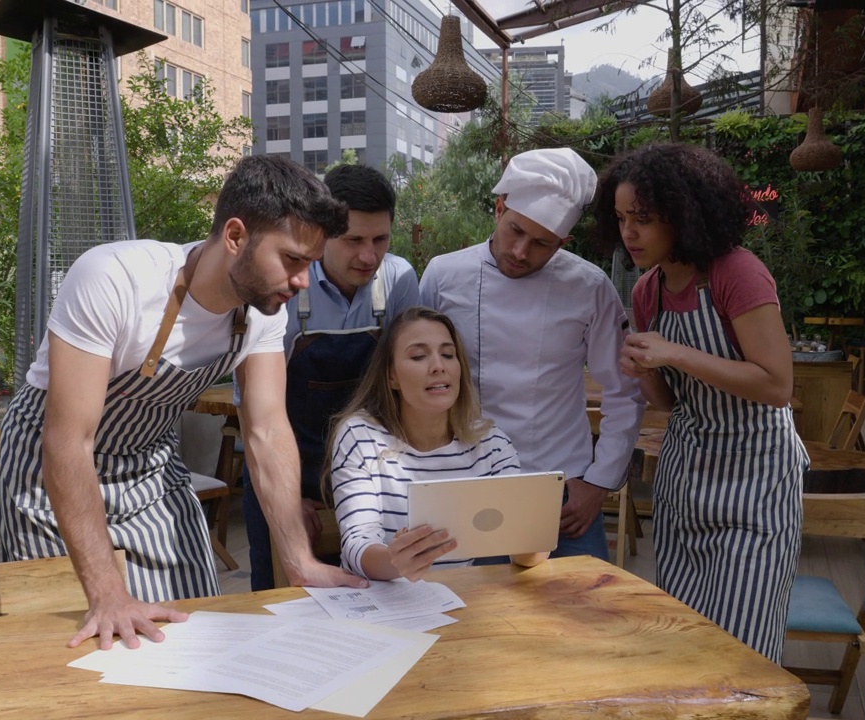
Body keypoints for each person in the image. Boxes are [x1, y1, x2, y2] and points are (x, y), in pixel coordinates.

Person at [0, 155, 367, 652]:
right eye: (293, 260)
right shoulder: (114, 279)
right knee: (88, 646)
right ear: (235, 236)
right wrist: (108, 594)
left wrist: (299, 560)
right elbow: (68, 438)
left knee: (200, 631)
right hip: (47, 474)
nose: (302, 281)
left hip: (149, 466)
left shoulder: (263, 311)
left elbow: (267, 431)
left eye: (310, 265)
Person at [591, 142, 805, 662]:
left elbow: (777, 385)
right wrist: (643, 370)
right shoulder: (649, 292)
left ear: (684, 212)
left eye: (642, 218)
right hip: (686, 476)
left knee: (742, 650)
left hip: (757, 477)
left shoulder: (737, 272)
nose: (629, 233)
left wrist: (675, 353)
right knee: (685, 638)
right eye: (621, 219)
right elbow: (667, 401)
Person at [420, 148, 645, 562]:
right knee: (470, 617)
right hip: (464, 478)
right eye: (515, 231)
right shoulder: (443, 275)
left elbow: (623, 391)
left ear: (564, 241)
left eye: (543, 243)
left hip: (559, 490)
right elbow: (416, 381)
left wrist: (598, 483)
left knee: (579, 614)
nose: (522, 252)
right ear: (499, 208)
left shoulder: (590, 287)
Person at [241, 164, 420, 591]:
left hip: (370, 473)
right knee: (279, 601)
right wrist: (285, 500)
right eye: (353, 240)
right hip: (285, 464)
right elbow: (254, 413)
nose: (368, 256)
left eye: (380, 240)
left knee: (381, 597)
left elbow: (409, 394)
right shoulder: (283, 286)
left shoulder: (398, 280)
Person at [329, 307, 542, 580]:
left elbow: (526, 550)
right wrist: (397, 562)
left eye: (448, 354)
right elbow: (357, 544)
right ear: (391, 376)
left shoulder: (489, 441)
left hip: (455, 603)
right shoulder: (358, 435)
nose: (438, 366)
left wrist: (533, 538)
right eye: (418, 356)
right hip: (375, 604)